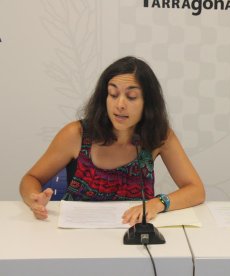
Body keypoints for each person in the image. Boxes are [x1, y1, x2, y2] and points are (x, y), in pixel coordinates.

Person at [20, 56, 205, 224]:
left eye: (131, 97)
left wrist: (157, 203)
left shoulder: (159, 136)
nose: (120, 105)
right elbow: (31, 178)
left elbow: (196, 190)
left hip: (132, 241)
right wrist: (34, 199)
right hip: (76, 239)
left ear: (147, 103)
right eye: (113, 94)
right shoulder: (76, 134)